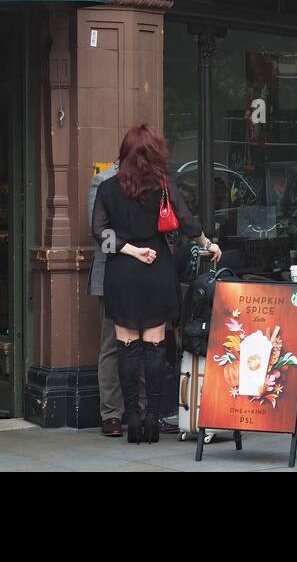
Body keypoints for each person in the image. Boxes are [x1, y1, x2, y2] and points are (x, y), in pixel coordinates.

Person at [92, 124, 220, 444]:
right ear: (154, 153)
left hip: (122, 272)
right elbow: (188, 222)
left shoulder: (107, 189)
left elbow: (99, 232)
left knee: (125, 348)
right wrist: (208, 243)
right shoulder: (164, 186)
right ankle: (152, 420)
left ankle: (130, 418)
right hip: (157, 270)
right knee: (155, 346)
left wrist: (131, 250)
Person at [87, 160, 122, 437]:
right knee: (111, 344)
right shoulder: (104, 179)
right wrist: (133, 246)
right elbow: (99, 230)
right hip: (111, 274)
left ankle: (143, 410)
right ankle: (111, 414)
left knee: (149, 343)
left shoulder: (152, 179)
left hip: (145, 275)